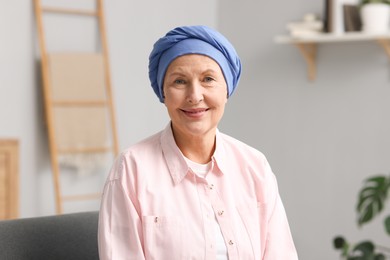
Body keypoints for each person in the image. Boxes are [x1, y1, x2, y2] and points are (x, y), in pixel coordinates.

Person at [98, 25, 298, 260]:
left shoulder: (255, 165)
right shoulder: (131, 170)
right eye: (179, 81)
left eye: (208, 79)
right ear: (163, 93)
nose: (195, 95)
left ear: (227, 89)